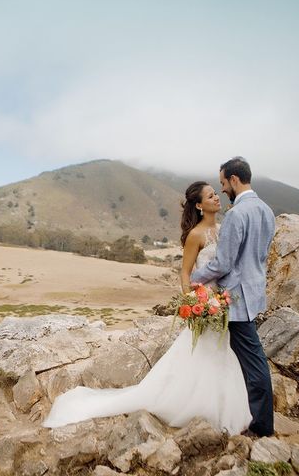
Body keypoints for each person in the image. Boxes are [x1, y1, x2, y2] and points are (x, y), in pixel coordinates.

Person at [42, 181, 252, 435]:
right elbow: (185, 274)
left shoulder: (222, 229)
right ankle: (192, 408)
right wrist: (194, 302)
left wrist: (222, 298)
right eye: (210, 196)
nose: (217, 198)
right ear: (198, 205)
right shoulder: (196, 235)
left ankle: (220, 409)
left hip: (221, 304)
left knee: (219, 355)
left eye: (216, 194)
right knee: (201, 355)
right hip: (205, 304)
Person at [191, 157, 275, 437]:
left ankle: (262, 425)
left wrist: (195, 280)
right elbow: (260, 256)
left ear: (234, 180)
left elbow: (223, 264)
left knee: (253, 361)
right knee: (239, 357)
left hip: (236, 299)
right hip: (254, 293)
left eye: (224, 183)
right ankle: (235, 408)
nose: (223, 189)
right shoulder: (266, 210)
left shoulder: (237, 215)